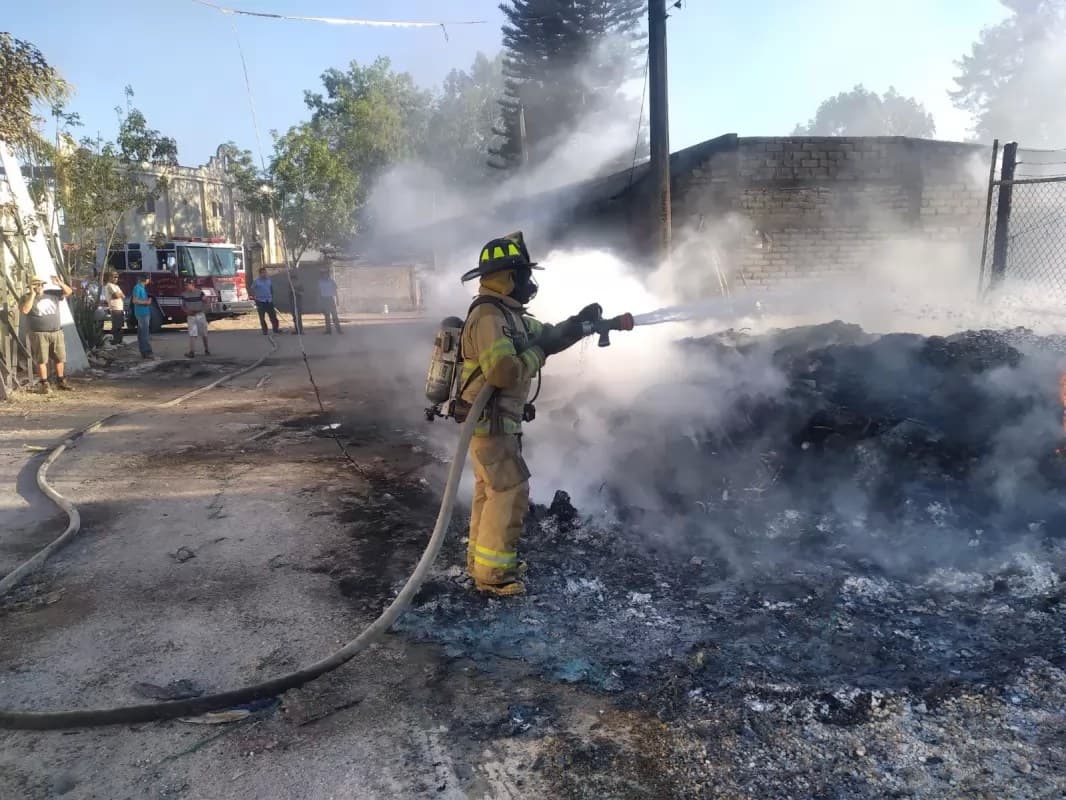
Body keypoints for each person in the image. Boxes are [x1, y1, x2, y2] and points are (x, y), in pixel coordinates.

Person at [458, 232, 600, 597]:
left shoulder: (509, 315)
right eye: (521, 275)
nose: (528, 283)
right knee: (509, 489)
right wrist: (539, 354)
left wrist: (579, 324)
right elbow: (503, 372)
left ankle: (482, 562)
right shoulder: (490, 316)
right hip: (489, 424)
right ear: (506, 276)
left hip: (494, 424)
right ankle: (493, 576)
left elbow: (547, 334)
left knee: (489, 490)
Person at [19, 275, 75, 394]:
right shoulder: (25, 297)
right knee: (42, 360)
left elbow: (69, 292)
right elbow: (25, 310)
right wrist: (33, 295)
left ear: (43, 285)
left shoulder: (52, 294)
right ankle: (44, 383)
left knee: (59, 358)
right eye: (35, 284)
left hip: (56, 331)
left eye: (40, 284)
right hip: (39, 333)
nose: (38, 286)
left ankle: (61, 381)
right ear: (30, 286)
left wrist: (60, 283)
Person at [181, 278, 210, 358]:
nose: (186, 287)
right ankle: (192, 351)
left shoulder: (199, 293)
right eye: (185, 285)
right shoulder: (184, 294)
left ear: (192, 285)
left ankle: (206, 349)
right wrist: (186, 311)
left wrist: (204, 309)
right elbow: (182, 306)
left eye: (187, 285)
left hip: (200, 314)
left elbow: (206, 301)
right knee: (192, 334)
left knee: (204, 333)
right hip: (191, 316)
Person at [131, 273, 154, 359]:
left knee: (141, 333)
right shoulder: (137, 287)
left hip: (144, 312)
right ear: (145, 279)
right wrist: (146, 302)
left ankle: (143, 351)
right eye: (148, 279)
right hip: (142, 313)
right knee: (145, 333)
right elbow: (135, 300)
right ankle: (147, 351)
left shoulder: (142, 288)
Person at [250, 267, 279, 335]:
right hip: (260, 301)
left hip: (269, 301)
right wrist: (254, 297)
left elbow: (271, 289)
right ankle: (265, 330)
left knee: (273, 317)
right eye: (263, 273)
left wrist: (271, 297)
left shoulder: (269, 281)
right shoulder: (256, 281)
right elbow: (251, 289)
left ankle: (275, 329)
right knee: (262, 317)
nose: (264, 274)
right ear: (260, 274)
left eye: (265, 273)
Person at [101, 271, 125, 345]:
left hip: (120, 308)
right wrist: (119, 294)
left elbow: (123, 296)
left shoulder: (116, 286)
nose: (116, 278)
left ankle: (119, 340)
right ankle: (115, 341)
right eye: (114, 277)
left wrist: (119, 294)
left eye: (117, 277)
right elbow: (116, 296)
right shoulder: (109, 285)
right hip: (115, 308)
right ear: (110, 277)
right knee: (116, 326)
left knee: (120, 325)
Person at [318, 268, 342, 335]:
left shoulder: (332, 281)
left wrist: (337, 300)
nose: (324, 275)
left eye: (325, 273)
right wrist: (320, 302)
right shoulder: (320, 282)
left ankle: (339, 330)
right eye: (323, 274)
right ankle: (328, 331)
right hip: (324, 299)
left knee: (334, 315)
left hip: (331, 299)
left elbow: (335, 291)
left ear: (327, 274)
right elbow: (319, 292)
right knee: (327, 316)